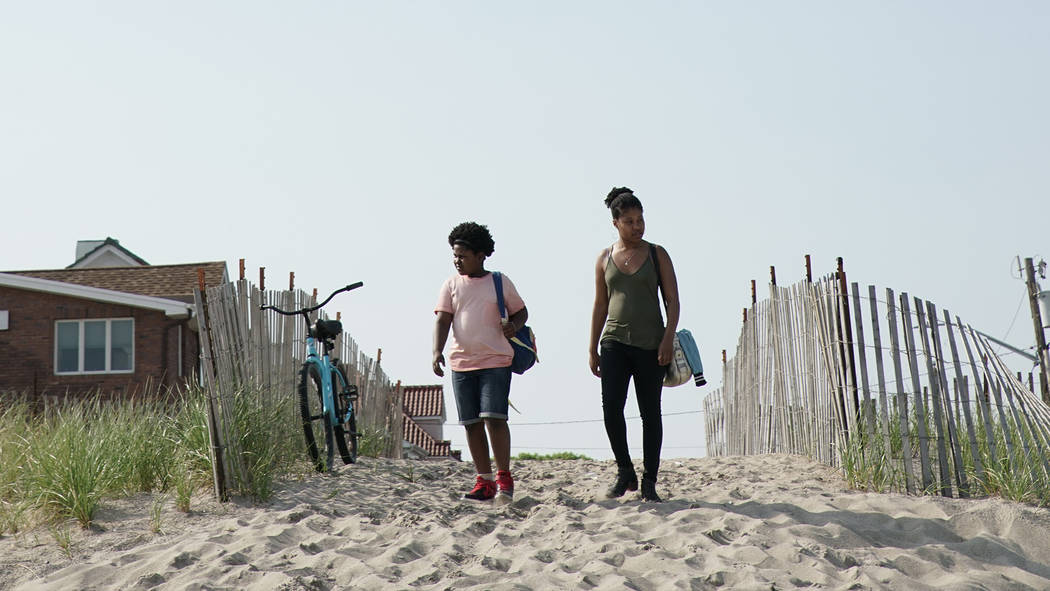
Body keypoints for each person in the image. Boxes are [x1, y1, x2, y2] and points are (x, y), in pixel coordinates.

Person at [589, 187, 680, 502]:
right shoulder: (604, 258)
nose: (637, 226)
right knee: (611, 409)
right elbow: (600, 305)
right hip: (613, 342)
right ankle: (624, 471)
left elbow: (672, 301)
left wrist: (668, 338)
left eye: (640, 219)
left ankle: (649, 481)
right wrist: (592, 348)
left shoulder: (657, 254)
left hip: (651, 345)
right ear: (615, 223)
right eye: (629, 221)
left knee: (650, 412)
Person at [433, 221, 528, 505]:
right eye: (454, 255)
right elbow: (443, 318)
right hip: (461, 363)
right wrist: (436, 351)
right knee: (471, 423)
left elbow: (521, 312)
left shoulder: (499, 281)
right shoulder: (451, 284)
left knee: (494, 418)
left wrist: (513, 325)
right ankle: (483, 481)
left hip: (496, 360)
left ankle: (504, 478)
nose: (457, 261)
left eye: (462, 255)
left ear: (481, 255)